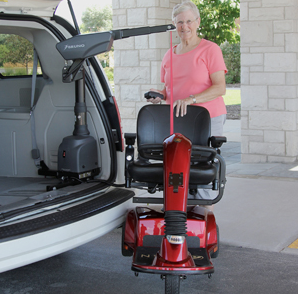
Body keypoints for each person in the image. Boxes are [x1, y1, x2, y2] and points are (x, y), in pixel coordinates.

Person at [147, 0, 227, 204]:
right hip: (178, 120)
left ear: (198, 22)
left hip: (206, 118)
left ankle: (204, 215)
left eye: (189, 21)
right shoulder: (169, 55)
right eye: (180, 22)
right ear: (175, 24)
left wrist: (191, 100)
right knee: (178, 166)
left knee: (201, 167)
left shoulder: (210, 49)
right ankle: (180, 212)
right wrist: (160, 95)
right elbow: (169, 90)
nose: (185, 26)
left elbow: (220, 87)